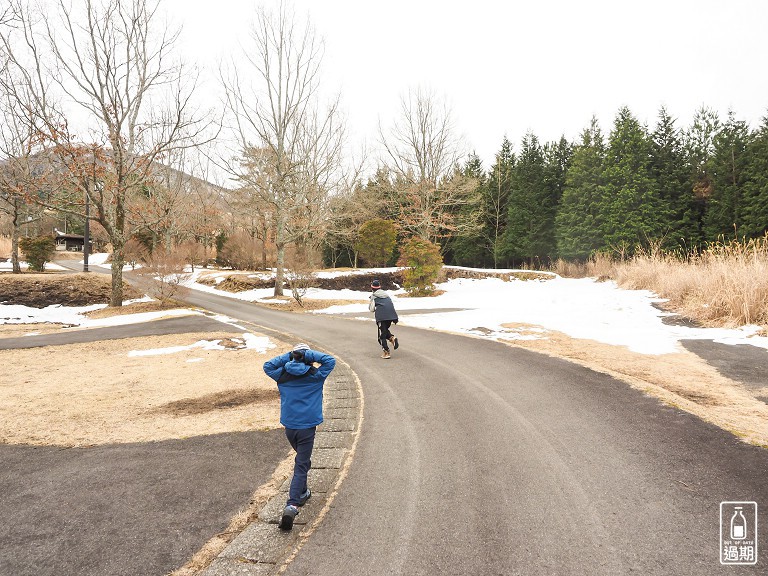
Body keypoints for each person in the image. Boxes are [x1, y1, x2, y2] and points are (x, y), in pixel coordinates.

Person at [263, 343, 336, 531]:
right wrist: (308, 355)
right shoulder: (316, 376)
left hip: (290, 426)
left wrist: (291, 355)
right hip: (307, 427)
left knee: (303, 461)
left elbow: (268, 366)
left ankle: (303, 492)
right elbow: (330, 360)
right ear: (308, 358)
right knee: (301, 464)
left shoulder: (282, 375)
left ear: (293, 357)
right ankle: (292, 505)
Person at [368, 279, 399, 359]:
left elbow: (371, 309)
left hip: (382, 317)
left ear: (372, 288)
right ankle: (392, 338)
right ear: (379, 287)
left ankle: (386, 352)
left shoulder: (374, 297)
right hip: (392, 316)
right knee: (384, 331)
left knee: (381, 336)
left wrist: (375, 306)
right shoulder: (386, 295)